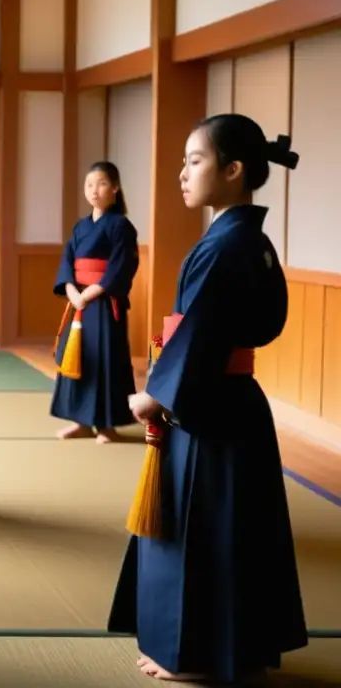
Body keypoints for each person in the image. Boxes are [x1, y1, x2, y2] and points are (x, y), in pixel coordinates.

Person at [107, 114, 308, 682]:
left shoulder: (226, 246)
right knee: (236, 530)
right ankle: (237, 649)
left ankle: (192, 657)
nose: (182, 173)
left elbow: (202, 331)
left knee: (198, 533)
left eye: (195, 160)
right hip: (234, 401)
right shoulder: (251, 241)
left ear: (234, 169)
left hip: (207, 408)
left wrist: (156, 394)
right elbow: (255, 326)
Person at [51, 161, 139, 444]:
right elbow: (67, 260)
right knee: (78, 356)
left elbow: (121, 265)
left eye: (101, 183)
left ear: (115, 188)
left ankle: (106, 425)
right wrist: (71, 290)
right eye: (89, 184)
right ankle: (81, 421)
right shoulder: (80, 226)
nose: (94, 190)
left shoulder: (121, 226)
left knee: (105, 360)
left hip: (102, 302)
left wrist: (89, 293)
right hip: (78, 301)